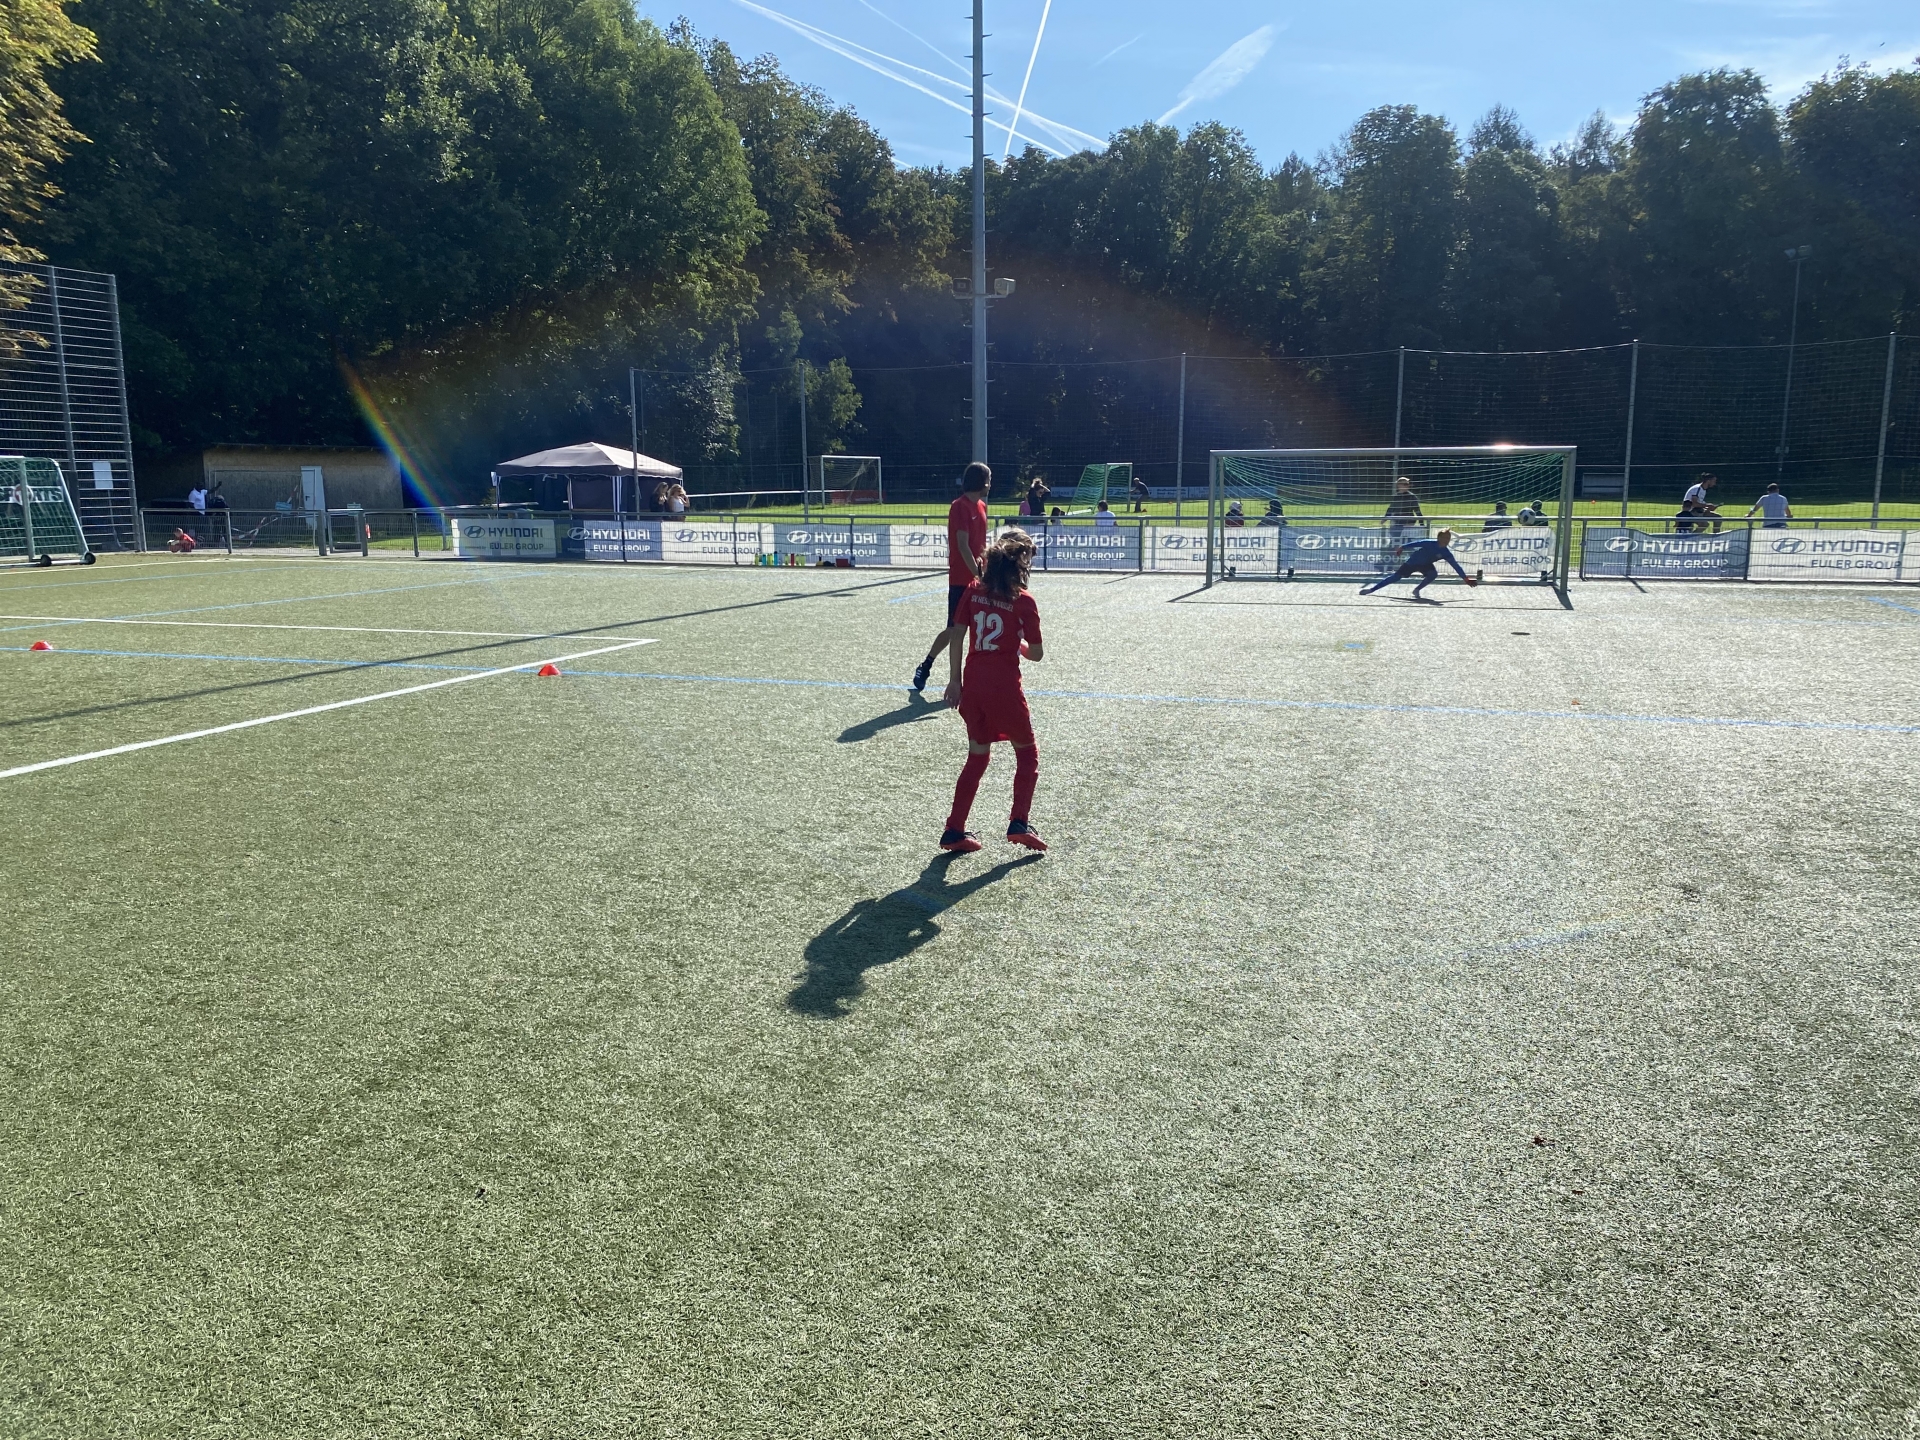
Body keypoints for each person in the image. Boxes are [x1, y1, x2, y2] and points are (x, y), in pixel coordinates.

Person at [940, 528, 1047, 854]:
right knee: (1027, 754)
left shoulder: (973, 590)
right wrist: (1019, 644)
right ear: (1019, 562)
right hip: (1004, 689)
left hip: (973, 686)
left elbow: (957, 634)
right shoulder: (1023, 601)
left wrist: (954, 681)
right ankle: (1019, 822)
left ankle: (954, 829)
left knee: (977, 756)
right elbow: (1037, 654)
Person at [912, 462, 992, 693]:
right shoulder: (959, 507)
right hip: (961, 580)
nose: (990, 484)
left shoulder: (982, 506)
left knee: (980, 631)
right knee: (955, 631)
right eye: (988, 479)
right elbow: (963, 545)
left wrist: (987, 571)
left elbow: (980, 545)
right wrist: (977, 573)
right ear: (981, 481)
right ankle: (929, 666)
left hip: (980, 580)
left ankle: (976, 679)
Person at [1359, 527, 1479, 600]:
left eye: (1448, 539)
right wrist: (1402, 547)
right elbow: (1416, 543)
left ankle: (1416, 590)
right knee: (1396, 577)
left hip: (1426, 565)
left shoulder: (1446, 553)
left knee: (1433, 574)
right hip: (1413, 562)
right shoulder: (1429, 543)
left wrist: (1465, 578)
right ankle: (1372, 590)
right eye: (1444, 539)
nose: (1446, 541)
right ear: (1438, 538)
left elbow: (1456, 566)